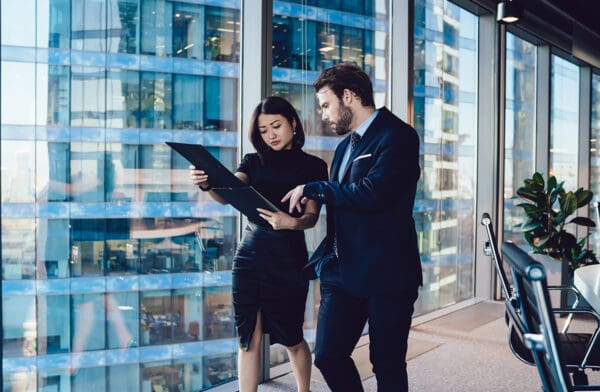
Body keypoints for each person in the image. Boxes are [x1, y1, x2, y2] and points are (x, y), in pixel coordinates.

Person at [283, 63, 423, 392]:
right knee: (329, 356)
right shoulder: (346, 146)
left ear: (349, 96)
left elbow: (373, 194)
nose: (324, 114)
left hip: (387, 272)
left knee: (386, 364)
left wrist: (314, 188)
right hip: (343, 272)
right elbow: (344, 202)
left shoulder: (397, 135)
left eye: (326, 104)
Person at [190, 96, 328, 392]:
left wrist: (291, 222)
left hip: (289, 258)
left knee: (292, 336)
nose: (271, 135)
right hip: (250, 257)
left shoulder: (314, 166)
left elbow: (312, 216)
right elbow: (227, 193)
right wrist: (206, 184)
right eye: (264, 130)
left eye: (276, 126)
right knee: (248, 336)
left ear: (292, 122)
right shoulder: (253, 161)